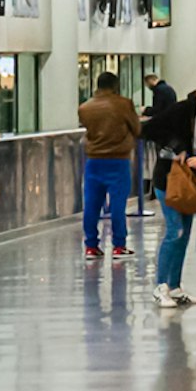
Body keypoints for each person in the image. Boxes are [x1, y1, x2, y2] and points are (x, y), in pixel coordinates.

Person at [151, 80, 196, 308]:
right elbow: (151, 129)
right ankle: (160, 286)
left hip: (191, 181)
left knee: (185, 232)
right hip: (168, 178)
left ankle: (175, 286)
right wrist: (178, 147)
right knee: (175, 230)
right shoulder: (180, 110)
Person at [76, 73, 137, 262]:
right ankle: (119, 246)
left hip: (94, 161)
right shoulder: (124, 104)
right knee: (118, 205)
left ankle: (91, 246)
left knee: (92, 205)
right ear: (115, 85)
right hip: (118, 160)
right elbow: (136, 128)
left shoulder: (85, 108)